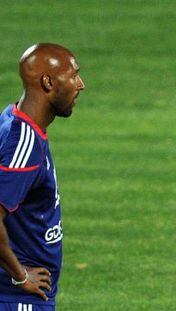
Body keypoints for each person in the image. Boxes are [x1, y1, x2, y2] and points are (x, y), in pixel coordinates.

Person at [0, 43, 85, 310]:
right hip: (18, 300)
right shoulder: (23, 146)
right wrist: (20, 276)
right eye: (73, 75)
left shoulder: (13, 117)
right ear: (48, 82)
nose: (80, 84)